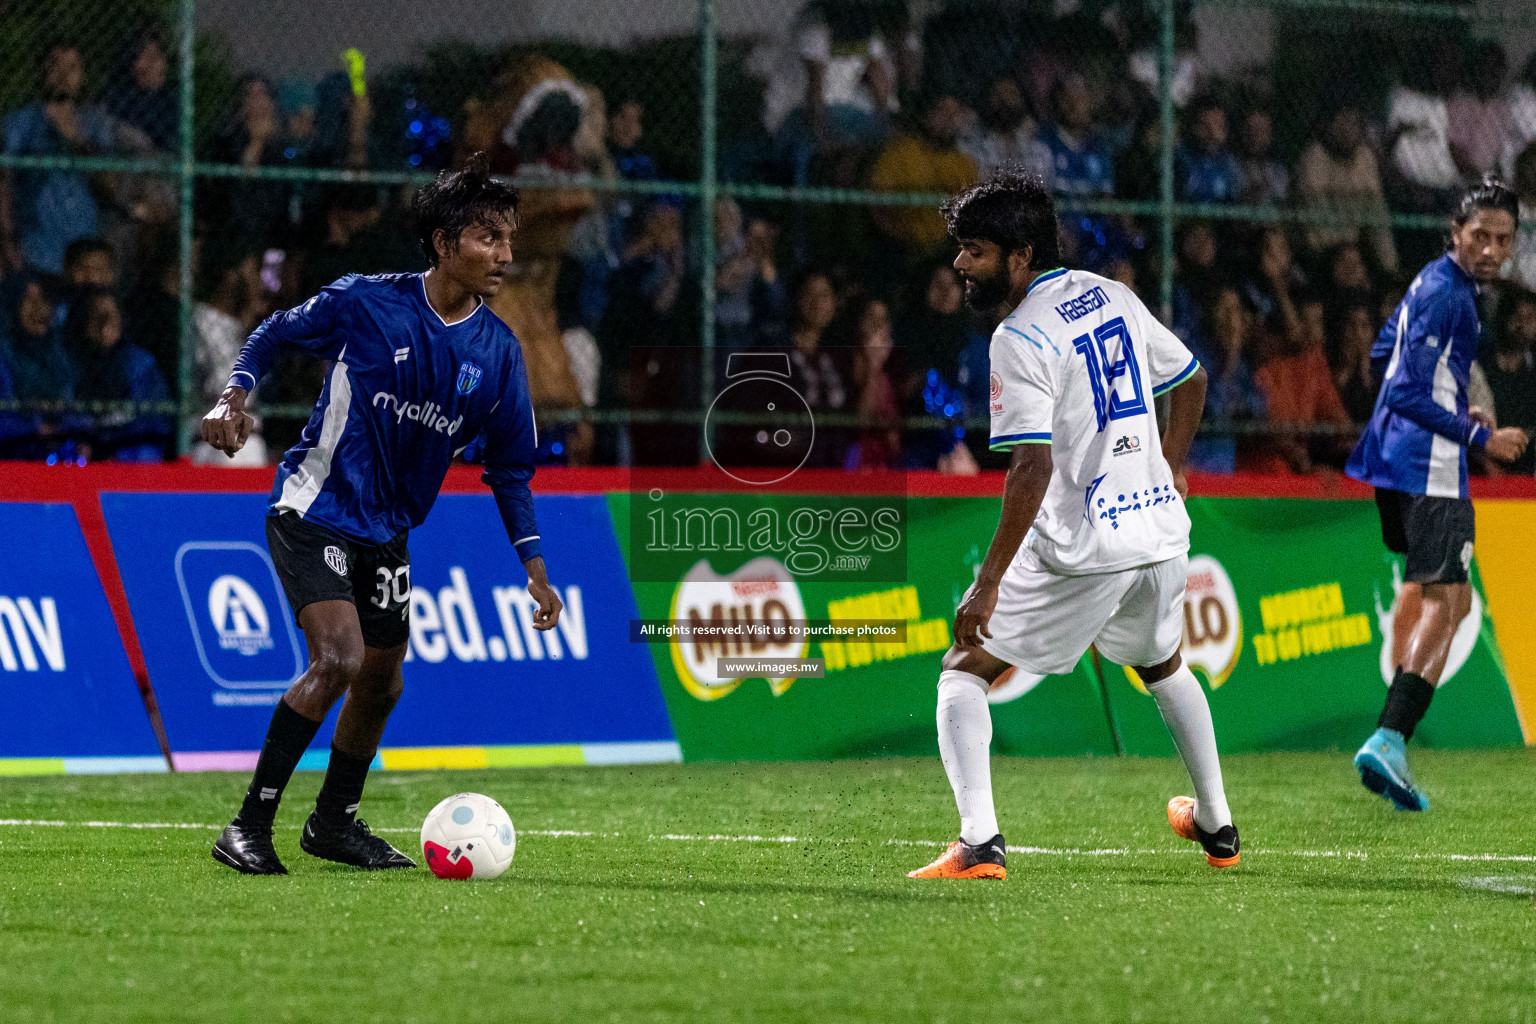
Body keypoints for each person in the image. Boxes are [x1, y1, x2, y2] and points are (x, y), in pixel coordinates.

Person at [201, 155, 563, 875]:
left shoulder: (498, 354)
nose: (505, 255)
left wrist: (536, 570)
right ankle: (247, 826)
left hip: (387, 531)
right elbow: (274, 331)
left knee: (384, 680)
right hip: (314, 504)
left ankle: (332, 824)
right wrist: (233, 395)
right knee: (338, 658)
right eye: (489, 237)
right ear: (442, 240)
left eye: (510, 239)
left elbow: (511, 468)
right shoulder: (368, 301)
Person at [906, 171, 1238, 880]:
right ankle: (1217, 824)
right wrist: (1170, 468)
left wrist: (987, 584)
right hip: (1158, 533)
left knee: (962, 672)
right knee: (1163, 664)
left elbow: (1031, 469)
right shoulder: (1109, 293)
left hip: (1085, 548)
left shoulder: (1017, 336)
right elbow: (1193, 378)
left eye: (976, 251)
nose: (961, 264)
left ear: (1021, 256)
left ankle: (979, 843)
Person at [1346, 178, 1529, 811]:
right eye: (1480, 235)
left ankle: (1391, 739)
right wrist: (1475, 436)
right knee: (1450, 601)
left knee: (1436, 596)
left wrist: (1458, 415)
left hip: (1395, 461)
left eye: (1503, 239)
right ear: (1456, 233)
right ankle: (1390, 738)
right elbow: (1402, 389)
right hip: (1430, 468)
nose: (1491, 249)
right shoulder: (1453, 298)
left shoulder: (1430, 284)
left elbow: (1381, 356)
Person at [1, 45, 117, 275]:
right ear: (44, 71)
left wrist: (79, 142)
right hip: (37, 250)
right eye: (56, 65)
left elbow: (110, 184)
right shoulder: (22, 122)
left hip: (84, 253)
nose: (63, 75)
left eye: (72, 67)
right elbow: (4, 183)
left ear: (82, 75)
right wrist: (6, 240)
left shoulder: (94, 125)